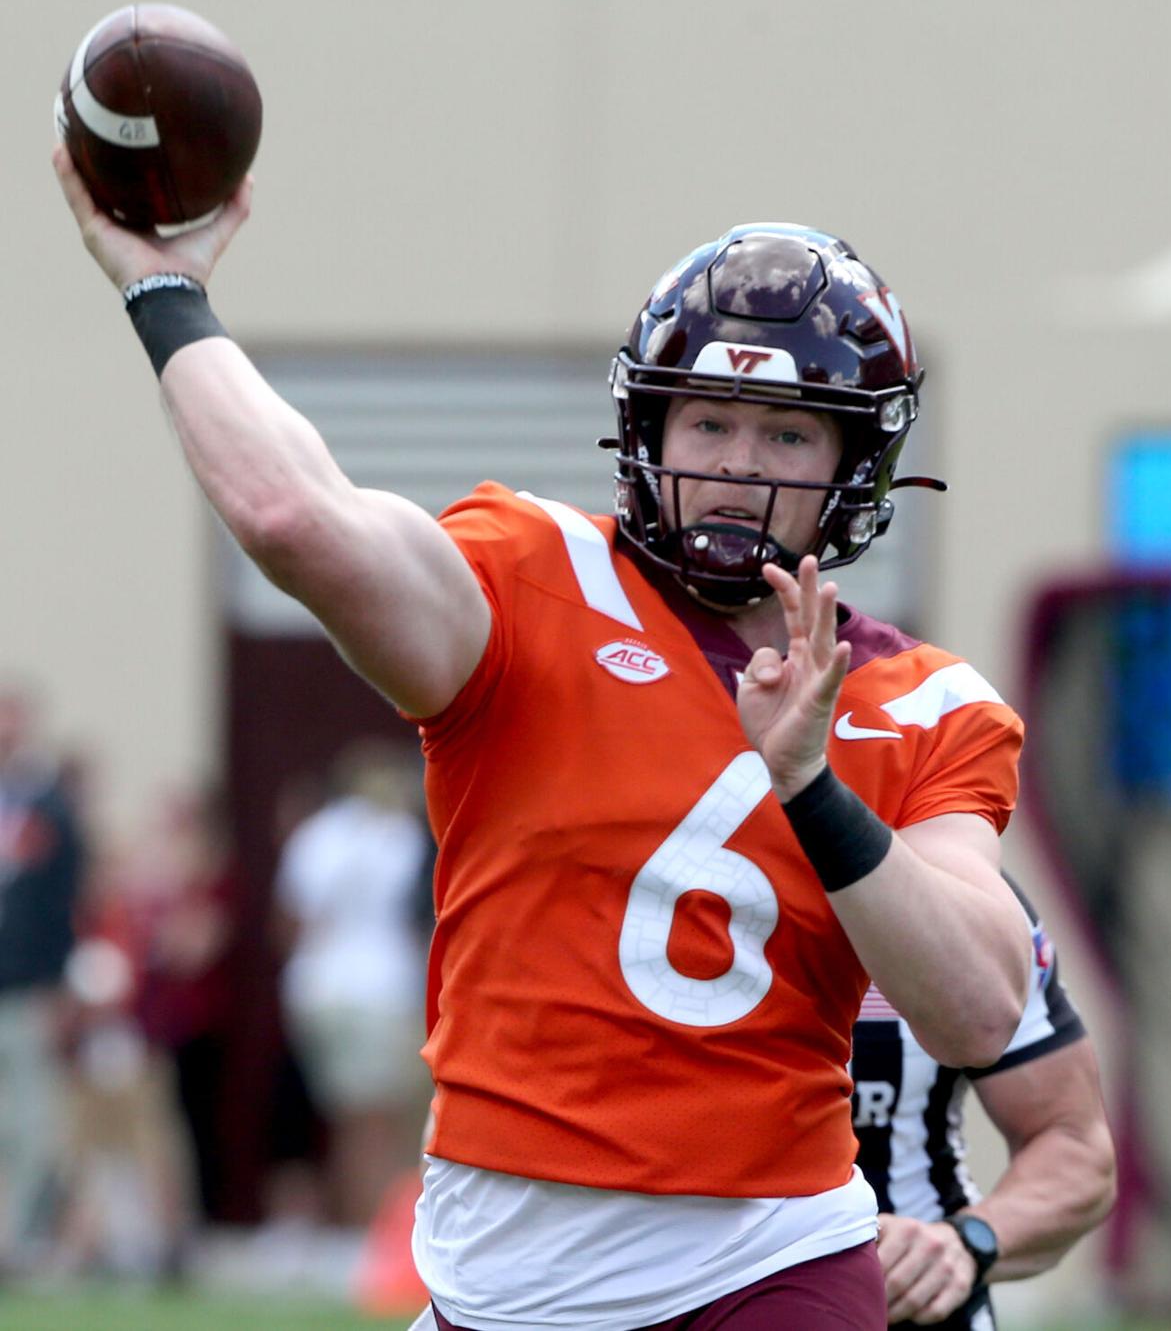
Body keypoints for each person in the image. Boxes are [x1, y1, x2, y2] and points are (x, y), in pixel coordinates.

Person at [54, 147, 1032, 1330]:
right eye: (709, 421)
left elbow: (978, 1011)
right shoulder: (528, 581)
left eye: (786, 435)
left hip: (767, 1259)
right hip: (502, 1265)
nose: (735, 468)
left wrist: (812, 785)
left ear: (851, 465)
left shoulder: (923, 702)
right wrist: (165, 290)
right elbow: (287, 514)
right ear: (647, 427)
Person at [853, 874, 1116, 1328]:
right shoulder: (694, 872)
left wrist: (964, 1243)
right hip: (703, 1289)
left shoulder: (963, 891)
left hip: (915, 1305)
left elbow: (1075, 1146)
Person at [273, 738, 433, 1225]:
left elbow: (290, 924)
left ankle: (360, 1226)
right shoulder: (402, 836)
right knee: (382, 1124)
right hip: (380, 991)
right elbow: (418, 922)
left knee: (349, 1122)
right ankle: (377, 1231)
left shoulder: (315, 835)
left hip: (317, 991)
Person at [0, 681, 86, 1275]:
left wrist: (59, 983)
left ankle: (13, 1238)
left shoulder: (48, 809)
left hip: (26, 986)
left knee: (32, 1121)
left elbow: (64, 903)